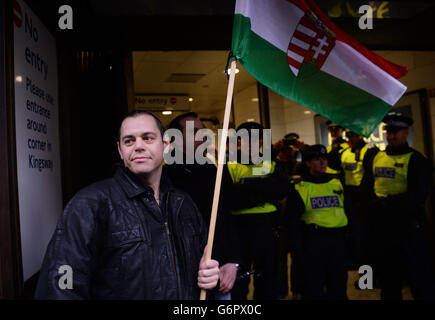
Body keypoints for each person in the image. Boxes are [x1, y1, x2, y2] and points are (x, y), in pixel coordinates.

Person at [34, 110, 220, 300]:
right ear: (120, 151)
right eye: (129, 141)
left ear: (165, 145)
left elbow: (203, 271)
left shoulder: (183, 204)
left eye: (148, 138)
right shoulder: (90, 204)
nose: (138, 146)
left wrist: (211, 277)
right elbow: (60, 286)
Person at [165, 112, 241, 300]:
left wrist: (233, 261)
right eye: (195, 131)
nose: (203, 135)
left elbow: (225, 214)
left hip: (219, 268)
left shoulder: (209, 166)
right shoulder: (163, 173)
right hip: (181, 274)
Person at [361, 112, 435, 300]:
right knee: (389, 280)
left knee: (418, 279)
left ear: (406, 132)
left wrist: (386, 204)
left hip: (409, 228)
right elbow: (366, 187)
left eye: (396, 131)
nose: (391, 136)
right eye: (388, 131)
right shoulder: (376, 157)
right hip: (383, 229)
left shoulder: (418, 160)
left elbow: (417, 196)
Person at [226, 122, 290, 300]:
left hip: (267, 228)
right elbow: (230, 199)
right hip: (239, 230)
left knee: (268, 278)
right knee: (239, 281)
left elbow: (281, 191)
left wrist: (245, 186)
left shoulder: (272, 163)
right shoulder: (229, 165)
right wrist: (264, 192)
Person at [286, 145, 348, 300]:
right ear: (307, 163)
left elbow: (350, 213)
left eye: (324, 159)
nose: (322, 162)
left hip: (338, 242)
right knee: (313, 289)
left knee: (338, 286)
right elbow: (292, 222)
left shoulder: (336, 182)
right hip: (313, 242)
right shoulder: (300, 187)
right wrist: (298, 251)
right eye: (316, 159)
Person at [328, 130, 379, 269]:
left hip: (365, 199)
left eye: (353, 136)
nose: (350, 139)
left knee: (367, 238)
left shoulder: (368, 150)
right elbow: (333, 165)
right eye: (348, 136)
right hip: (350, 198)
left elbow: (370, 176)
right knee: (355, 236)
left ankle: (367, 279)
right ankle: (360, 268)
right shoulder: (345, 153)